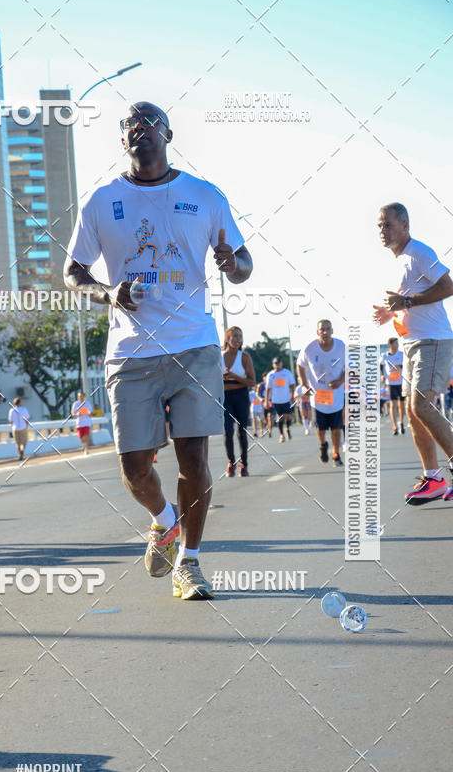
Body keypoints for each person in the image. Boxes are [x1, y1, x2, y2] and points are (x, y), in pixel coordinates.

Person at [64, 101, 252, 600]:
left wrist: (232, 263)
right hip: (130, 349)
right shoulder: (102, 200)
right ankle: (165, 520)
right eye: (130, 124)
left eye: (149, 123)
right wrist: (108, 292)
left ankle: (189, 562)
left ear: (168, 134)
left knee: (194, 458)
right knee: (134, 467)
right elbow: (73, 272)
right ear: (122, 138)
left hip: (194, 344)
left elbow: (243, 262)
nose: (139, 130)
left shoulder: (204, 195)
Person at [373, 203, 453, 503]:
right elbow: (409, 301)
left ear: (405, 225)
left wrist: (406, 303)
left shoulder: (419, 252)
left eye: (388, 224)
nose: (382, 231)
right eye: (379, 226)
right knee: (413, 412)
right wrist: (392, 312)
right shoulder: (399, 260)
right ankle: (434, 478)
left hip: (433, 341)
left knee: (422, 406)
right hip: (411, 344)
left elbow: (448, 286)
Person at [297, 320, 346, 467]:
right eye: (322, 330)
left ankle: (336, 453)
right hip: (317, 396)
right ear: (317, 332)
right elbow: (300, 365)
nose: (325, 332)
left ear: (332, 331)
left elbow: (351, 367)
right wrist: (303, 384)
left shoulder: (341, 347)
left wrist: (340, 381)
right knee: (321, 428)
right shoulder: (309, 348)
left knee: (336, 429)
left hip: (336, 396)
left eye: (327, 329)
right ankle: (323, 445)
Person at [222, 326, 256, 477]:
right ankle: (231, 462)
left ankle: (244, 464)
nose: (237, 339)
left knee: (242, 431)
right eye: (234, 336)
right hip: (225, 397)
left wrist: (233, 376)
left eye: (240, 336)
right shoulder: (219, 356)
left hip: (241, 395)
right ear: (227, 338)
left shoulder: (244, 357)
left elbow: (252, 382)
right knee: (228, 430)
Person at [264, 357, 295, 442]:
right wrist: (266, 400)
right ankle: (281, 435)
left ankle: (287, 428)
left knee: (288, 417)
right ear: (273, 364)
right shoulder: (270, 375)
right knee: (280, 417)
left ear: (281, 363)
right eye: (275, 363)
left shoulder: (287, 373)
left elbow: (292, 385)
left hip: (286, 399)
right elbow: (268, 389)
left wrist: (293, 396)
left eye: (278, 363)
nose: (277, 365)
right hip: (276, 400)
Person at [380, 337, 406, 435]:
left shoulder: (401, 354)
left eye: (398, 343)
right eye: (396, 343)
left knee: (401, 405)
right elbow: (380, 365)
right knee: (393, 405)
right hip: (391, 383)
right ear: (390, 345)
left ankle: (401, 422)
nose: (398, 345)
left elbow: (406, 365)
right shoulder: (384, 355)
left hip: (401, 382)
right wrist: (382, 375)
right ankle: (395, 426)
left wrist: (400, 366)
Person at [71, 391, 93, 456]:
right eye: (79, 396)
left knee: (86, 436)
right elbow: (73, 413)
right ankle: (85, 445)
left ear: (84, 396)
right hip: (79, 423)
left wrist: (89, 413)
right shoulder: (75, 404)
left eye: (81, 396)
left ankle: (86, 449)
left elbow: (91, 412)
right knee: (81, 438)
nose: (80, 397)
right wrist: (77, 414)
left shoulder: (87, 404)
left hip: (86, 422)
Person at [9, 396, 30, 461]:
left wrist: (12, 426)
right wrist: (27, 425)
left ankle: (19, 454)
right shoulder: (24, 409)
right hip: (23, 427)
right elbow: (27, 419)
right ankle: (22, 451)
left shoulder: (12, 410)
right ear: (20, 402)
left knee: (17, 443)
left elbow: (10, 420)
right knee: (24, 442)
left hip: (15, 428)